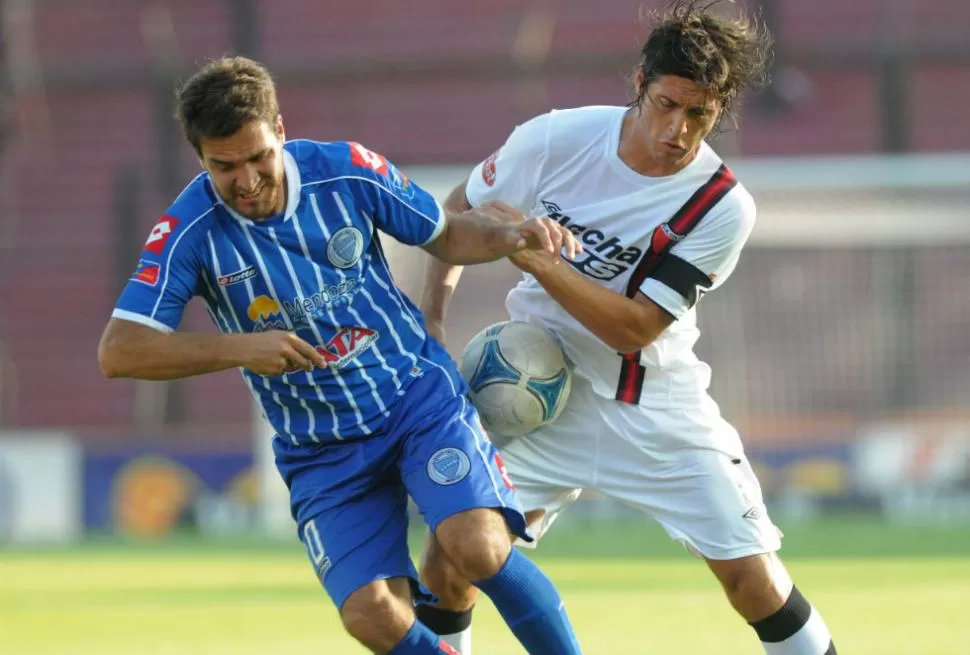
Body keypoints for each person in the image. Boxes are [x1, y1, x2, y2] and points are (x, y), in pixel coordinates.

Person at [97, 56, 586, 655]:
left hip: (412, 396)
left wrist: (510, 236)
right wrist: (241, 348)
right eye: (224, 167)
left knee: (477, 547)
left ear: (279, 128)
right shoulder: (188, 232)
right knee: (370, 616)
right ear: (199, 157)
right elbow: (121, 350)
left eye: (257, 158)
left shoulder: (347, 171)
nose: (246, 181)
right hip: (320, 448)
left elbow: (445, 233)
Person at [416, 2, 837, 654]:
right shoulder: (556, 139)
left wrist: (532, 255)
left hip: (655, 407)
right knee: (450, 558)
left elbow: (634, 328)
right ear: (640, 81)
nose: (678, 129)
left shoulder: (722, 206)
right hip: (537, 393)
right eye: (667, 104)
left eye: (699, 115)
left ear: (719, 111)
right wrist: (432, 326)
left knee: (753, 582)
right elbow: (457, 217)